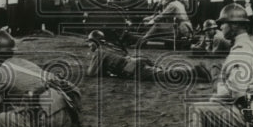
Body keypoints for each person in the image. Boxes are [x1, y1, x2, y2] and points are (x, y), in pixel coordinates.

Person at [155, 3, 253, 127]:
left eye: (223, 24)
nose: (221, 28)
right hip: (251, 108)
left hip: (244, 111)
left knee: (196, 109)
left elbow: (237, 92)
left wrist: (217, 90)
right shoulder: (248, 46)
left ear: (235, 25)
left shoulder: (241, 51)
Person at [85, 30, 213, 83]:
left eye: (90, 42)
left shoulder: (99, 51)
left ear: (95, 42)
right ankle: (194, 72)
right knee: (162, 72)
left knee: (164, 76)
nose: (89, 45)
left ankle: (193, 71)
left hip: (132, 68)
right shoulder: (111, 45)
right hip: (137, 61)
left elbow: (91, 73)